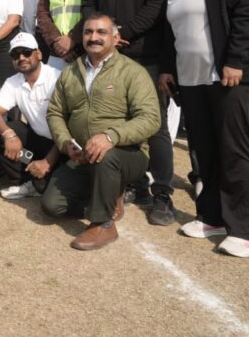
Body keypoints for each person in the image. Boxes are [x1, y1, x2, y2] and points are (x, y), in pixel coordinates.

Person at [157, 0, 249, 257]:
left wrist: (235, 60)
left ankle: (244, 230)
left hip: (226, 75)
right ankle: (212, 217)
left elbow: (248, 14)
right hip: (190, 78)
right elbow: (170, 30)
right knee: (204, 149)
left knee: (234, 150)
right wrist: (168, 69)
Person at [81, 0, 175, 225]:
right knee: (120, 123)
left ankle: (162, 194)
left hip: (147, 57)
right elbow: (89, 4)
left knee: (155, 126)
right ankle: (137, 185)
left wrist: (124, 32)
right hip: (111, 58)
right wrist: (101, 34)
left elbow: (157, 4)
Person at [41, 13, 161, 251]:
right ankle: (108, 194)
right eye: (88, 32)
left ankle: (103, 224)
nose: (93, 37)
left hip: (126, 154)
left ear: (115, 38)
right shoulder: (70, 72)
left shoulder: (132, 72)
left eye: (101, 32)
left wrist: (110, 136)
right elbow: (55, 112)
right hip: (83, 155)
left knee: (105, 156)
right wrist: (65, 142)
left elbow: (150, 118)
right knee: (52, 206)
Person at [0, 33, 61, 200]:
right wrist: (9, 135)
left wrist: (48, 162)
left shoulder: (57, 78)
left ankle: (40, 178)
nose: (21, 58)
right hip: (38, 141)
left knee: (46, 190)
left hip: (61, 145)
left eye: (26, 52)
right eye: (15, 55)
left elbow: (69, 128)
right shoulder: (13, 81)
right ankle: (26, 180)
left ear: (39, 54)